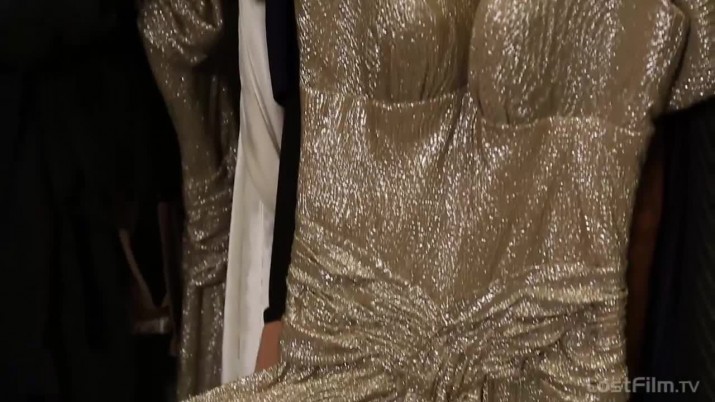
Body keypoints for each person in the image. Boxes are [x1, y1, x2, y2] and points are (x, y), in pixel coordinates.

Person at [192, 0, 715, 400]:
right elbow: (304, 111)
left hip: (552, 364)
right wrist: (277, 315)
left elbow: (661, 196)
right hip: (340, 350)